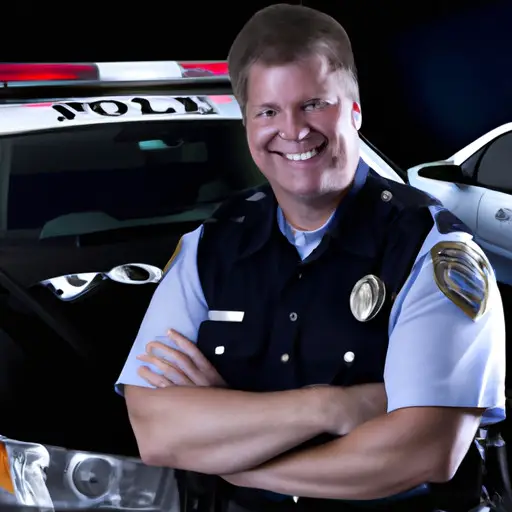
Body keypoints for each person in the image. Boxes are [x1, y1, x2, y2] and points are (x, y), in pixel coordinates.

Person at [115, 4, 506, 511]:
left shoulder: (431, 249)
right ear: (248, 123)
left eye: (314, 104)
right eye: (268, 111)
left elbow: (424, 450)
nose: (294, 130)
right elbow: (158, 433)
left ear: (355, 111)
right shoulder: (208, 248)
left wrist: (237, 464)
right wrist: (333, 406)